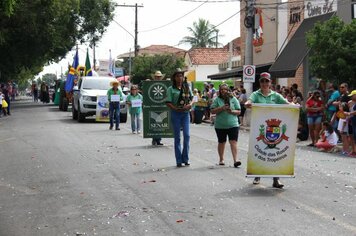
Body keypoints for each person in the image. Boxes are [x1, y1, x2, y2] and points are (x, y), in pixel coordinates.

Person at [245, 72, 289, 189]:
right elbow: (249, 101)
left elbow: (287, 104)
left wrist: (295, 106)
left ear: (270, 82)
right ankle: (257, 175)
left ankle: (276, 179)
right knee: (259, 151)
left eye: (266, 81)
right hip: (259, 129)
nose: (264, 83)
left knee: (274, 153)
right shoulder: (256, 94)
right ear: (260, 82)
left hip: (274, 128)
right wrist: (248, 103)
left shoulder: (276, 96)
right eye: (262, 81)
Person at [166, 69, 193, 167]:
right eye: (177, 76)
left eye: (181, 76)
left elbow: (192, 99)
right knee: (177, 137)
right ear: (174, 78)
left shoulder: (186, 87)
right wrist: (176, 108)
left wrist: (190, 105)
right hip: (176, 114)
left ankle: (185, 158)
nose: (179, 78)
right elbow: (168, 102)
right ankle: (178, 160)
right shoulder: (171, 89)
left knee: (187, 135)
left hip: (185, 114)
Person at [210, 84, 242, 167]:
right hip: (220, 125)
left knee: (233, 142)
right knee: (222, 142)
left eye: (225, 89)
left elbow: (239, 111)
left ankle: (235, 160)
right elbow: (212, 111)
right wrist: (221, 108)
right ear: (219, 91)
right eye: (221, 89)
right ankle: (221, 159)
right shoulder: (217, 99)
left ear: (228, 90)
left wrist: (231, 111)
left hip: (233, 124)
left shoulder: (233, 99)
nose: (223, 91)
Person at [151, 70, 165, 145]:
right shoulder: (151, 84)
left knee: (160, 123)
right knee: (154, 123)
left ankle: (159, 140)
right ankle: (154, 139)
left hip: (161, 106)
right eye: (157, 77)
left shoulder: (163, 84)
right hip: (153, 106)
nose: (158, 78)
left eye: (159, 77)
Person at [345, 90, 356, 157]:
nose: (351, 97)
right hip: (352, 121)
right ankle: (353, 150)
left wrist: (349, 113)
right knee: (352, 136)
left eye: (352, 95)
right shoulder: (350, 102)